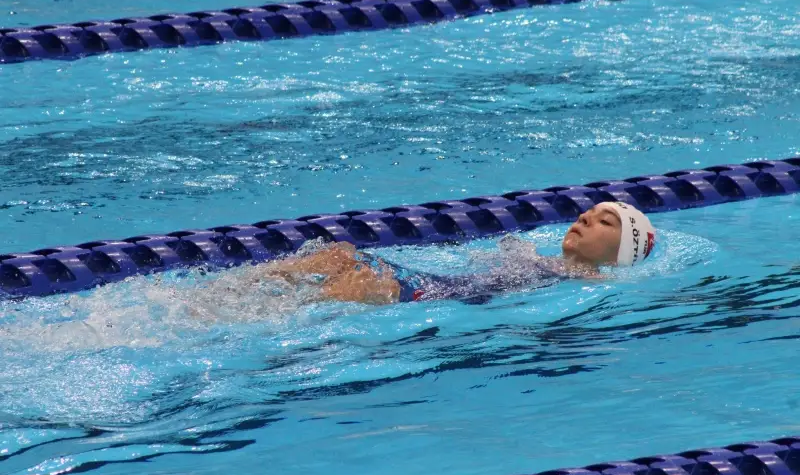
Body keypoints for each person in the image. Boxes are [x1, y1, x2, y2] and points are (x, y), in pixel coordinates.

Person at [252, 201, 656, 306]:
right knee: (338, 254)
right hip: (439, 284)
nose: (586, 216)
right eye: (590, 211)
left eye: (606, 222)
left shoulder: (594, 279)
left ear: (619, 254)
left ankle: (258, 320)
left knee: (349, 283)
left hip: (435, 295)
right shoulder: (548, 263)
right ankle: (228, 294)